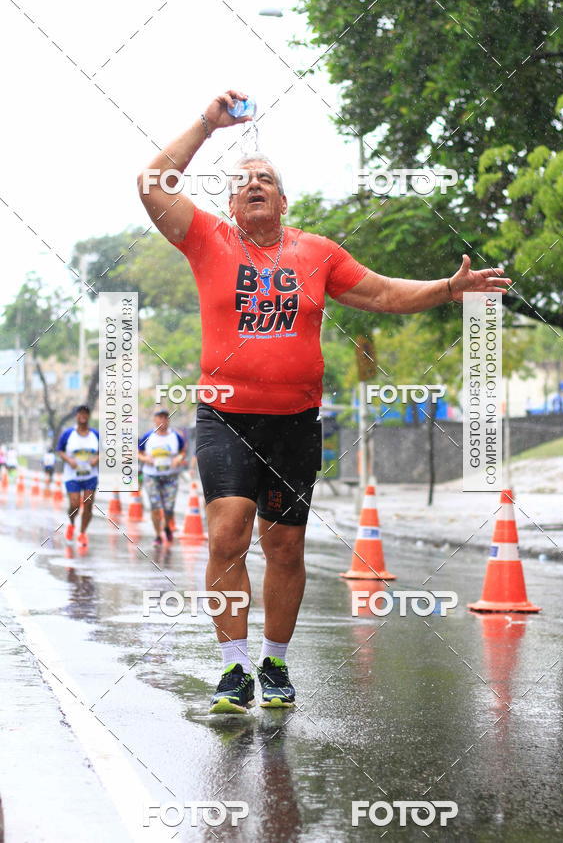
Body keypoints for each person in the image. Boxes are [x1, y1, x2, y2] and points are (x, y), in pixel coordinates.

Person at [137, 89, 511, 714]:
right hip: (227, 417)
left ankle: (275, 663)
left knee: (285, 547)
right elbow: (152, 183)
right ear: (230, 203)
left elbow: (384, 293)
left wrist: (449, 289)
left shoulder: (316, 253)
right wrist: (206, 123)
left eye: (267, 179)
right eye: (243, 181)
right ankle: (233, 669)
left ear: (284, 202)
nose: (255, 184)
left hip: (295, 423)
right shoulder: (208, 240)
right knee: (228, 533)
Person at [138, 409, 186, 546]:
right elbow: (138, 452)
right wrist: (145, 459)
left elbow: (183, 451)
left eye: (165, 418)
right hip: (151, 476)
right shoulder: (148, 436)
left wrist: (179, 458)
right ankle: (158, 535)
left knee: (169, 507)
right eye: (159, 418)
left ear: (168, 420)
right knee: (155, 506)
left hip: (171, 476)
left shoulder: (176, 436)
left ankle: (166, 527)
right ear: (154, 420)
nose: (162, 421)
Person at [56, 405, 100, 554]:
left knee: (88, 505)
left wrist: (97, 459)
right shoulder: (68, 434)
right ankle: (71, 523)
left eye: (85, 413)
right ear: (76, 416)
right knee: (75, 504)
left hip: (90, 476)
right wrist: (69, 460)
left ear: (88, 416)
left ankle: (82, 533)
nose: (83, 416)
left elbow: (105, 451)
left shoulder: (95, 434)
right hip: (72, 476)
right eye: (80, 413)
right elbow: (59, 450)